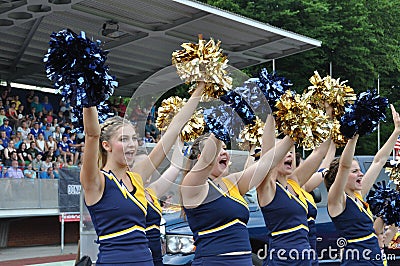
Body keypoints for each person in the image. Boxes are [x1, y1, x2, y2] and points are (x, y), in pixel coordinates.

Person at [80, 82, 205, 265]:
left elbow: (174, 128)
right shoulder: (97, 181)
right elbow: (92, 135)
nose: (132, 145)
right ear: (106, 145)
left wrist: (201, 87)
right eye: (123, 139)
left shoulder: (136, 177)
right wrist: (87, 91)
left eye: (134, 139)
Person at [181, 114, 294, 266]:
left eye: (225, 149)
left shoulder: (232, 183)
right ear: (202, 157)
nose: (224, 153)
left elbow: (268, 162)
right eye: (217, 150)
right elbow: (206, 162)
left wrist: (295, 132)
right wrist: (228, 114)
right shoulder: (192, 186)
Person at [324, 104, 400, 265]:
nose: (361, 174)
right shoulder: (337, 200)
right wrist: (354, 136)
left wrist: (397, 131)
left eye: (360, 170)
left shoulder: (357, 195)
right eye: (355, 171)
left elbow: (379, 161)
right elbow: (344, 166)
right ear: (342, 177)